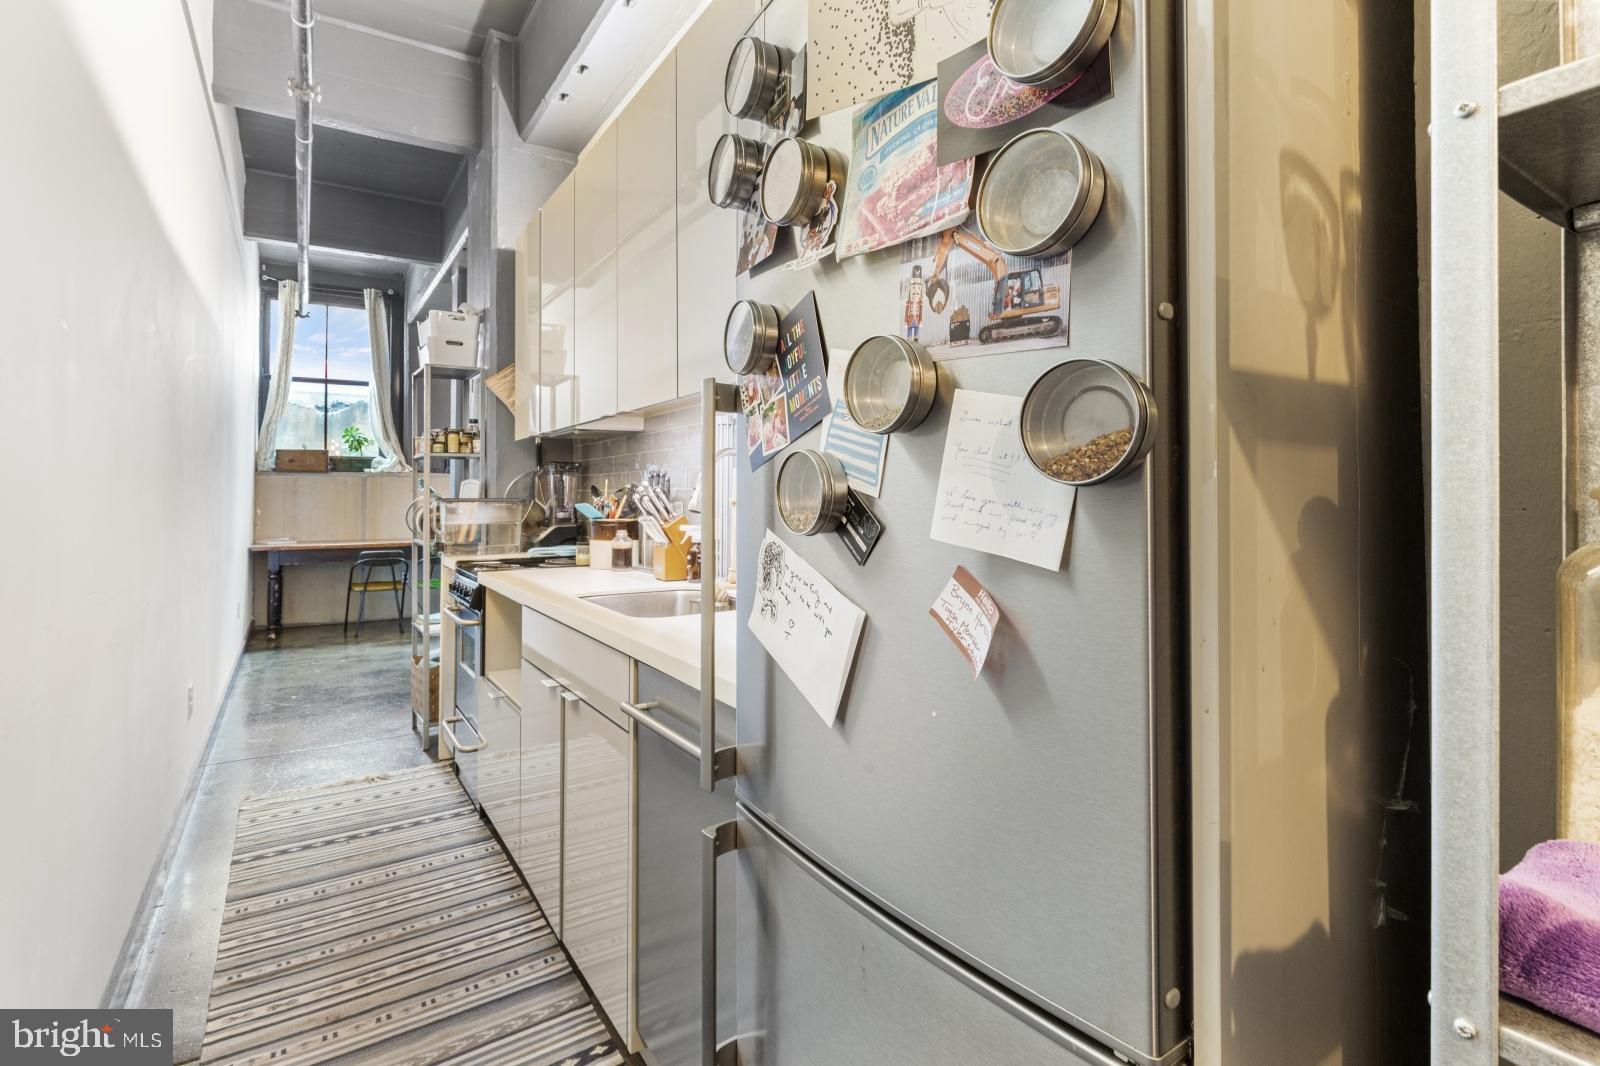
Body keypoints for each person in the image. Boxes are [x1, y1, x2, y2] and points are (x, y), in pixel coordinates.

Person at [904, 264, 925, 340]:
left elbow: (921, 311)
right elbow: (906, 311)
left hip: (916, 318)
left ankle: (916, 338)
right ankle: (909, 339)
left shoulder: (920, 303)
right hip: (910, 319)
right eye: (913, 288)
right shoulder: (909, 303)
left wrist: (921, 320)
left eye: (918, 288)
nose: (916, 291)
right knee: (909, 332)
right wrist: (905, 321)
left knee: (916, 332)